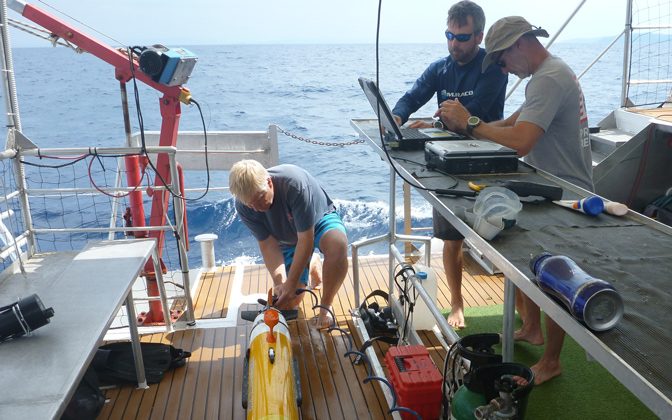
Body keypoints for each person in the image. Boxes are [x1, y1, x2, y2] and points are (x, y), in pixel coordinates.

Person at [436, 16, 594, 385]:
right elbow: (510, 124)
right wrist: (465, 122)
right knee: (525, 262)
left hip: (565, 193)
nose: (503, 68)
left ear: (519, 44)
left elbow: (521, 141)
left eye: (502, 60)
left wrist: (469, 124)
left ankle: (552, 361)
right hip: (548, 187)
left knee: (559, 278)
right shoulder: (547, 76)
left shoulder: (548, 79)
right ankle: (531, 329)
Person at [391, 0, 508, 329]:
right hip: (448, 165)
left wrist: (435, 120)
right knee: (451, 238)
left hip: (489, 162)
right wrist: (397, 119)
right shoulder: (440, 68)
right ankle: (457, 303)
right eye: (450, 35)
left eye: (463, 37)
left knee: (503, 241)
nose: (454, 43)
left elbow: (474, 111)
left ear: (479, 36)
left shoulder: (494, 68)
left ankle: (526, 317)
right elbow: (413, 95)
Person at [229, 160, 349, 328]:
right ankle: (312, 262)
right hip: (287, 237)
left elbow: (306, 240)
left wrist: (291, 283)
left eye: (260, 198)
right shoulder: (244, 206)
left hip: (318, 221)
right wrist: (281, 284)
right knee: (289, 303)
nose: (257, 208)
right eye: (251, 204)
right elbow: (268, 245)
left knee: (338, 245)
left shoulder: (294, 185)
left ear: (269, 182)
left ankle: (325, 307)